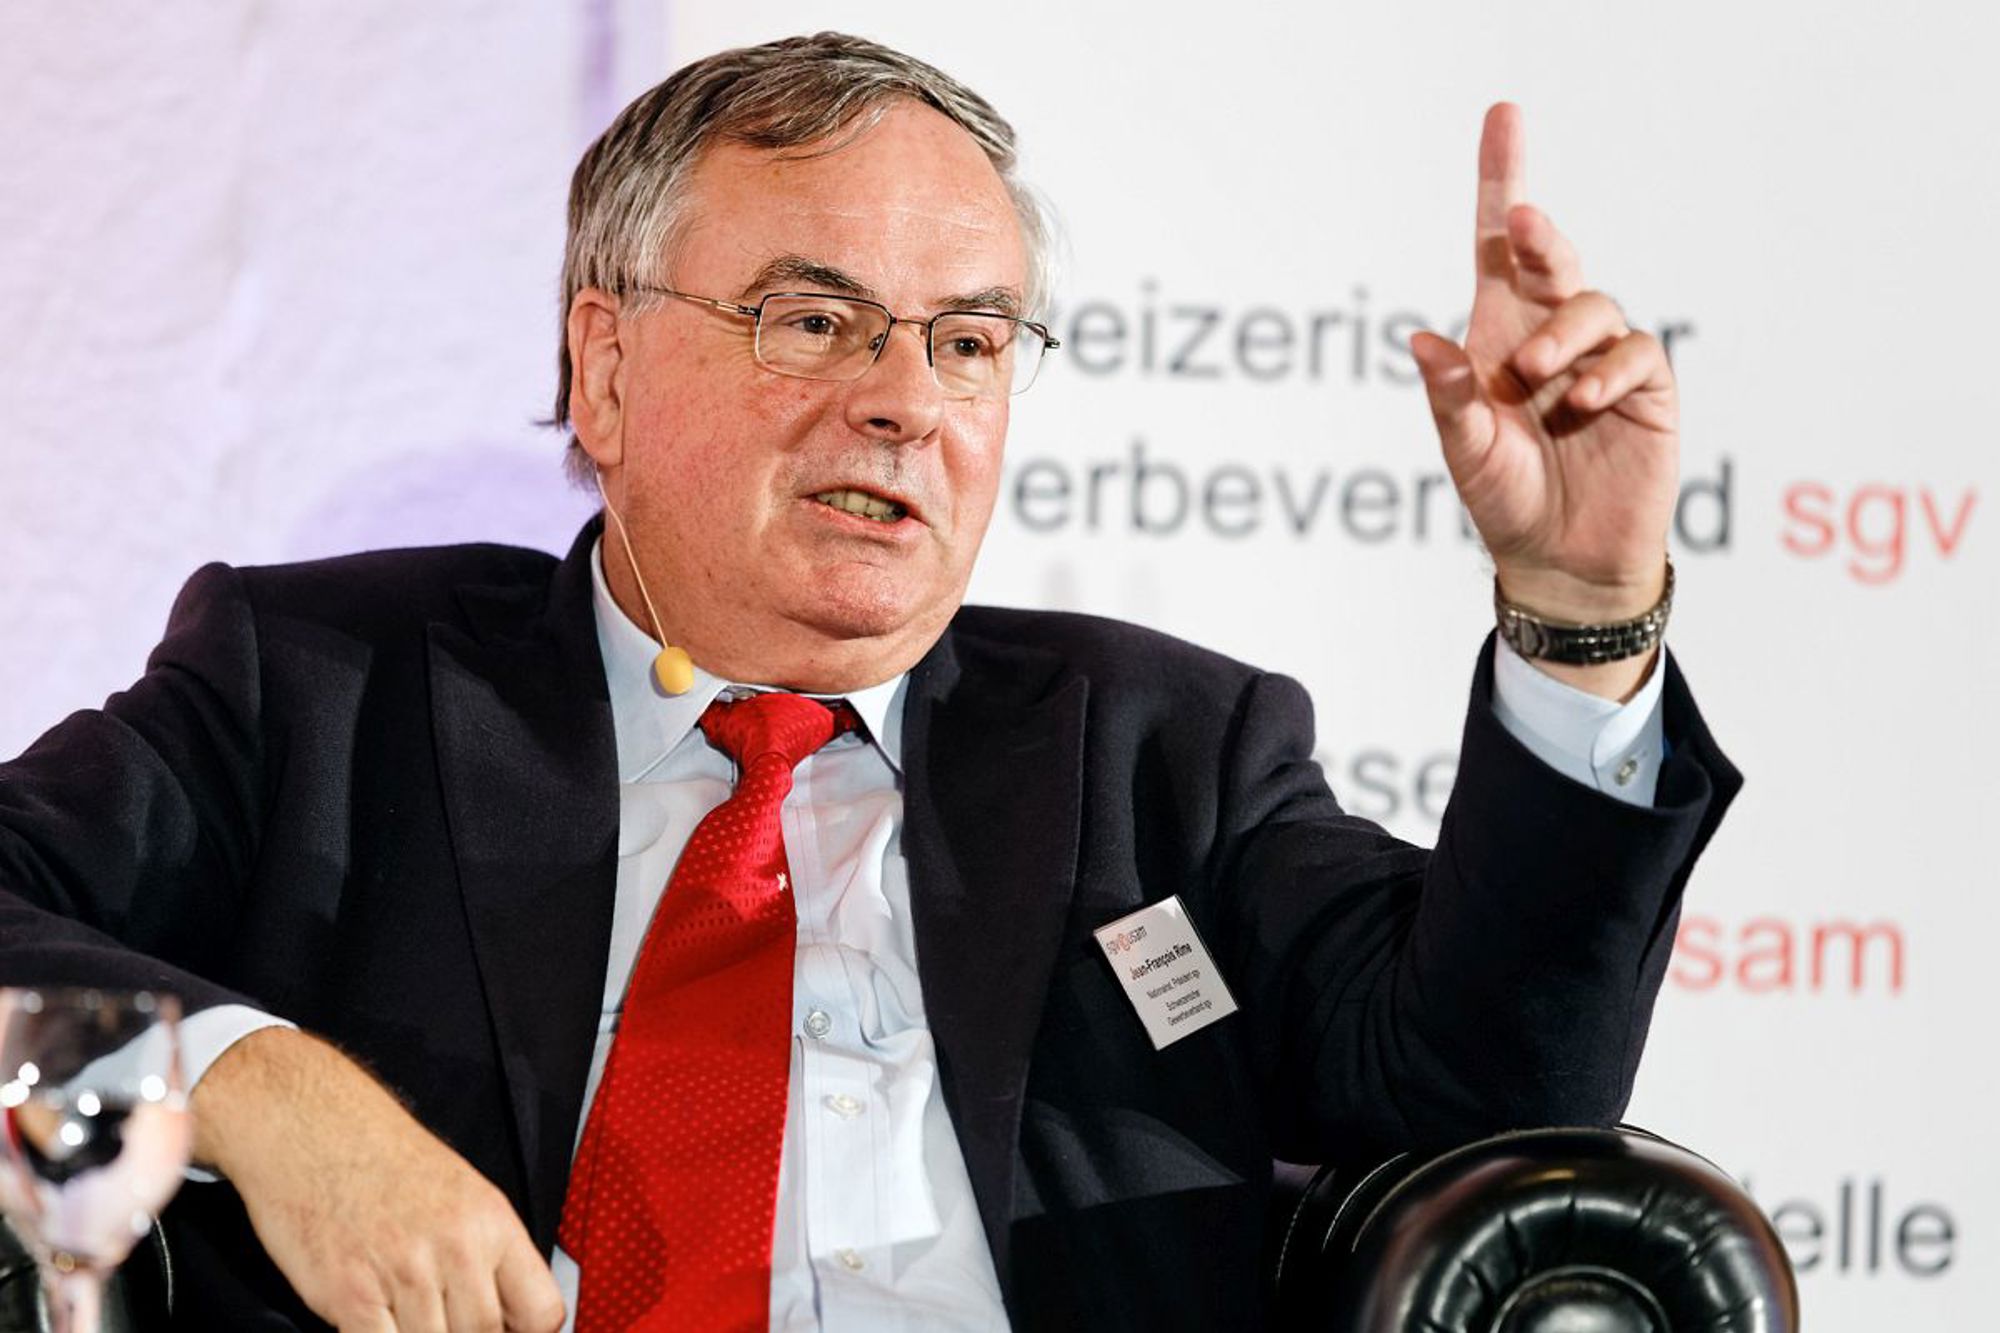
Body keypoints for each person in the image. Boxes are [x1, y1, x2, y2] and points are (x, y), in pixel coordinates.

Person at [0, 31, 1737, 1333]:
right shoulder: (323, 687)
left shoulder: (1163, 754)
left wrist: (1578, 607)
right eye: (814, 319)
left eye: (967, 341)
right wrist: (256, 1082)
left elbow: (1492, 1097)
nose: (905, 400)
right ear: (605, 367)